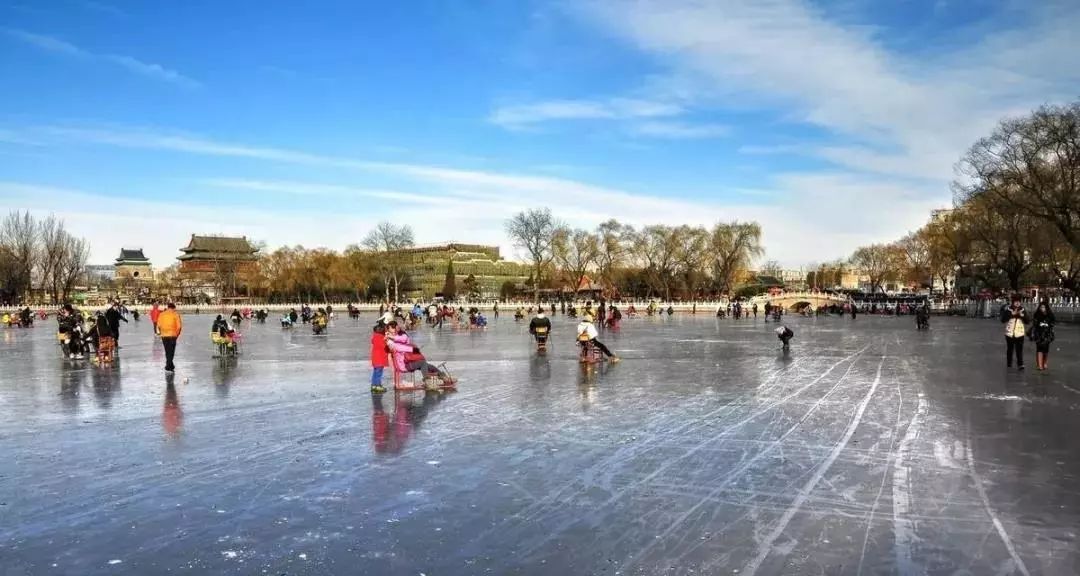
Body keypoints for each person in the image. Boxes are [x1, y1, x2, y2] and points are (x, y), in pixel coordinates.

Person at [1000, 295, 1028, 370]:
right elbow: (1003, 320)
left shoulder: (1022, 310)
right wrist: (1011, 314)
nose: (1017, 303)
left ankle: (1020, 364)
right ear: (1013, 303)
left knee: (1019, 350)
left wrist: (1022, 316)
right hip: (1010, 333)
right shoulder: (1008, 310)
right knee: (1010, 349)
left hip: (1020, 333)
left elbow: (1027, 321)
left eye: (1019, 302)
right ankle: (1009, 363)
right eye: (1016, 302)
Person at [1030, 300, 1055, 371]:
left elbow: (1052, 323)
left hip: (1047, 334)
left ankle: (1044, 363)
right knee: (1039, 349)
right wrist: (1038, 326)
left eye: (1044, 307)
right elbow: (1034, 324)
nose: (1042, 308)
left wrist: (1048, 325)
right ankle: (1039, 365)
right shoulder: (1037, 314)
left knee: (1046, 350)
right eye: (1041, 307)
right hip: (1039, 334)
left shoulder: (1050, 315)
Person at [157, 302, 182, 373]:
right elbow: (179, 327)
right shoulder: (176, 314)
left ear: (168, 307)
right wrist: (177, 335)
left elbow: (159, 325)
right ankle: (168, 366)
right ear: (174, 308)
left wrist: (162, 332)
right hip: (172, 335)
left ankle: (170, 365)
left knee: (167, 351)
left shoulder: (161, 314)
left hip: (164, 335)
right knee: (171, 351)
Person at [370, 324, 389, 394]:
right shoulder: (381, 338)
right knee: (379, 373)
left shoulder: (375, 337)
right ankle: (378, 385)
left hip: (375, 358)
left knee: (375, 372)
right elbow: (385, 346)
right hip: (380, 358)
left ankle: (373, 385)